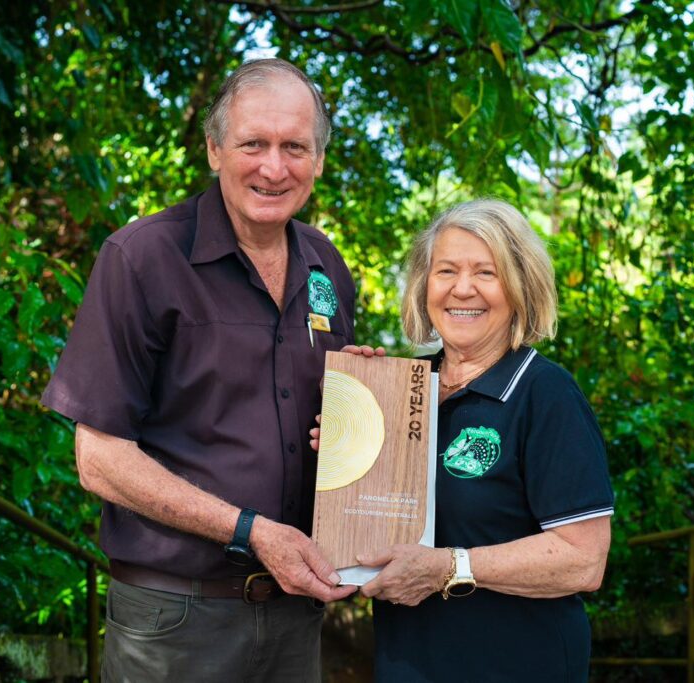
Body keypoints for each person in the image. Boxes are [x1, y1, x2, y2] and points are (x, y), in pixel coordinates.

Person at [41, 58, 356, 682]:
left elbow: (332, 431)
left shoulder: (327, 267)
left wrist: (364, 407)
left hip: (297, 617)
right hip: (174, 621)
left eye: (295, 146)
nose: (274, 167)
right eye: (253, 144)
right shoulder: (141, 258)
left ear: (318, 161)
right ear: (214, 149)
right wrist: (251, 532)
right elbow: (99, 459)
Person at [332, 199, 614, 682]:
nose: (463, 289)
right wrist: (348, 426)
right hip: (409, 662)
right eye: (446, 271)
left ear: (520, 285)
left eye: (487, 272)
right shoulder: (402, 393)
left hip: (514, 664)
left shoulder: (545, 394)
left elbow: (583, 560)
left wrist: (450, 567)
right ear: (425, 286)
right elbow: (368, 527)